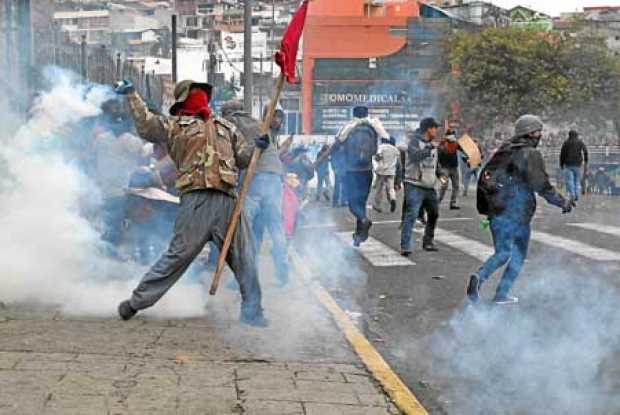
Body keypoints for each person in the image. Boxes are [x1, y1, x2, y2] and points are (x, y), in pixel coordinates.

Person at [114, 79, 267, 327]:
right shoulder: (175, 125)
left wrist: (258, 148)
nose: (200, 96)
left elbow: (243, 159)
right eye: (195, 93)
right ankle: (136, 302)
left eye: (202, 92)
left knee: (245, 257)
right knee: (178, 256)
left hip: (228, 200)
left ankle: (252, 311)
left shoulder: (226, 127)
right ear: (185, 98)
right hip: (195, 200)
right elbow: (146, 125)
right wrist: (132, 95)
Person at [467, 115, 575, 305]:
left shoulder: (505, 149)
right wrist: (562, 202)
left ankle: (479, 276)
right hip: (517, 214)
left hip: (496, 211)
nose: (540, 135)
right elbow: (541, 185)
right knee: (517, 255)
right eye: (538, 131)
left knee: (502, 252)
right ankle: (501, 294)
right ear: (529, 133)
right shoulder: (529, 154)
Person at [220, 101, 290, 288]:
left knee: (245, 228)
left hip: (256, 178)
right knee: (272, 226)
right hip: (274, 178)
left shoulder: (230, 121)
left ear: (228, 112)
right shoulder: (258, 123)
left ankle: (242, 276)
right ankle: (282, 268)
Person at [332, 105, 387, 246]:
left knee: (352, 203)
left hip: (352, 172)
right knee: (361, 203)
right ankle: (359, 235)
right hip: (367, 171)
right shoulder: (373, 129)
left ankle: (363, 221)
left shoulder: (349, 128)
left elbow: (337, 145)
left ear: (354, 114)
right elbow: (380, 146)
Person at [400, 117, 441, 256]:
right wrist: (429, 148)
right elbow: (415, 156)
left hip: (429, 186)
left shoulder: (432, 144)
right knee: (411, 214)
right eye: (434, 127)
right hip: (414, 184)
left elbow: (435, 162)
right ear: (428, 129)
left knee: (434, 214)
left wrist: (440, 174)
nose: (436, 130)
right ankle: (405, 245)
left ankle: (428, 241)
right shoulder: (414, 141)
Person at [372, 136, 400, 213]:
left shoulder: (381, 147)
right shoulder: (395, 149)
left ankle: (377, 205)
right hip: (391, 171)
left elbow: (377, 156)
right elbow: (397, 159)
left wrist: (377, 159)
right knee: (391, 188)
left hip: (381, 171)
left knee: (379, 189)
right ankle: (393, 199)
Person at [560, 129, 589, 201]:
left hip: (568, 164)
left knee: (570, 180)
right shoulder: (580, 142)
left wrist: (561, 163)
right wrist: (586, 160)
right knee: (577, 180)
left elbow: (562, 154)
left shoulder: (566, 142)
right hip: (578, 164)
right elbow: (585, 151)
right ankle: (577, 195)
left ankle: (572, 195)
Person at [437, 129, 460, 209]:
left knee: (456, 186)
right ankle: (438, 201)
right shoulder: (442, 144)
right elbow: (440, 154)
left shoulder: (456, 144)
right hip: (444, 169)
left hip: (454, 168)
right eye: (452, 135)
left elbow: (464, 150)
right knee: (444, 185)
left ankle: (452, 204)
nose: (453, 136)